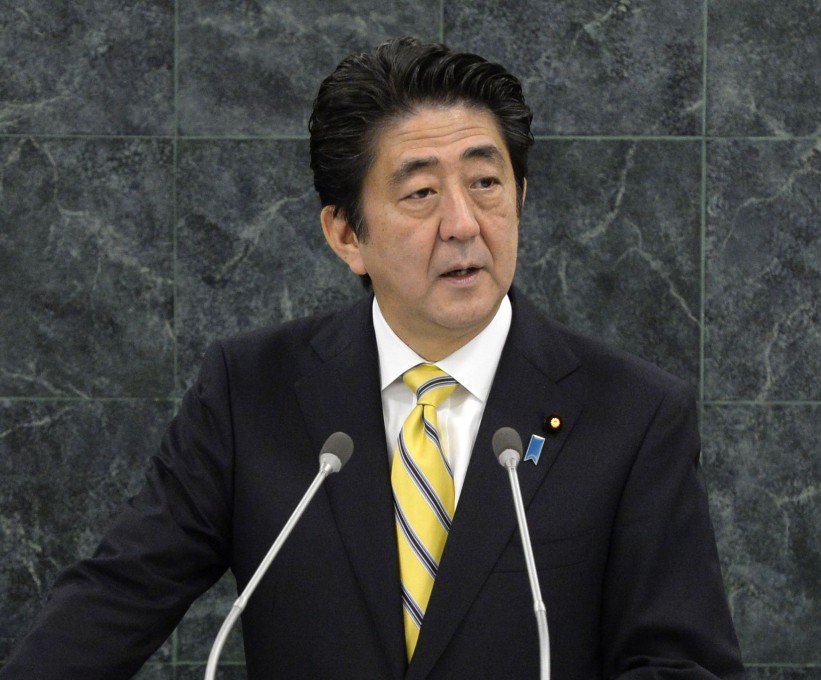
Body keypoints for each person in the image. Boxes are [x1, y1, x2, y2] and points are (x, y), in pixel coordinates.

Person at [0, 37, 743, 679]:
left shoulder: (633, 414)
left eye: (486, 183)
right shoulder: (251, 391)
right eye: (421, 192)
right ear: (345, 233)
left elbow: (683, 663)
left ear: (519, 193)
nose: (463, 224)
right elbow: (115, 598)